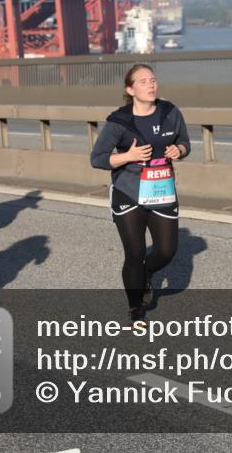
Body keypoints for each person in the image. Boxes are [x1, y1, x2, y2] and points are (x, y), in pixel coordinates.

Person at [90, 64, 191, 325]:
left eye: (153, 80)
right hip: (128, 192)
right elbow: (97, 159)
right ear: (130, 89)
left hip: (162, 190)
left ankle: (144, 274)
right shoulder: (119, 121)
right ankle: (136, 308)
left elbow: (185, 143)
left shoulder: (170, 112)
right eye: (143, 81)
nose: (150, 85)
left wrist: (178, 150)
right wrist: (128, 156)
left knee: (167, 251)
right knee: (134, 252)